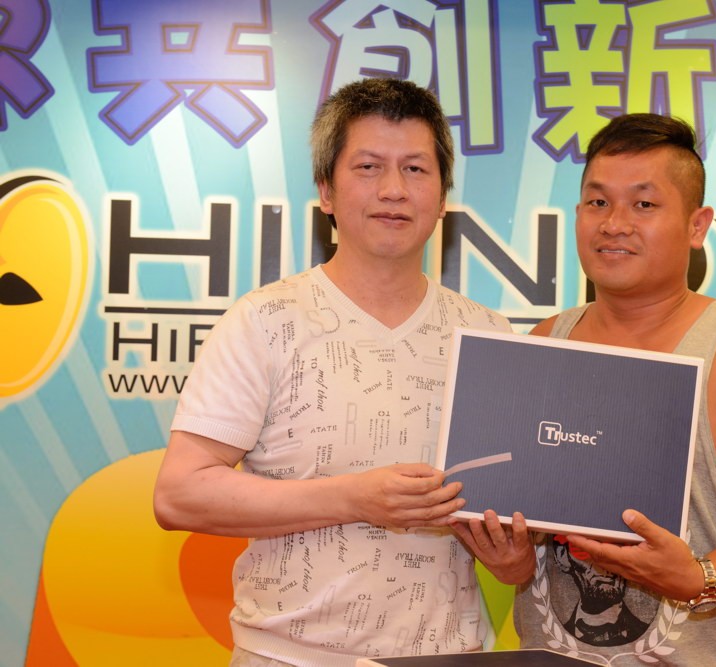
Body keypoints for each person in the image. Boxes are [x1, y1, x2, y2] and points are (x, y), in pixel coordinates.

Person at [153, 78, 511, 667]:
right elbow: (179, 495)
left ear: (443, 195)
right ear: (326, 190)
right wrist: (354, 498)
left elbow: (513, 545)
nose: (394, 189)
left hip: (453, 653)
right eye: (368, 167)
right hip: (288, 656)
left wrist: (512, 557)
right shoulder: (265, 321)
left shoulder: (489, 336)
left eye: (416, 169)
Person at [472, 113, 716, 665]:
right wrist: (511, 557)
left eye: (644, 204)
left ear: (697, 225)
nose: (614, 223)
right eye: (598, 202)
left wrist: (703, 575)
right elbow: (521, 515)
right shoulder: (546, 342)